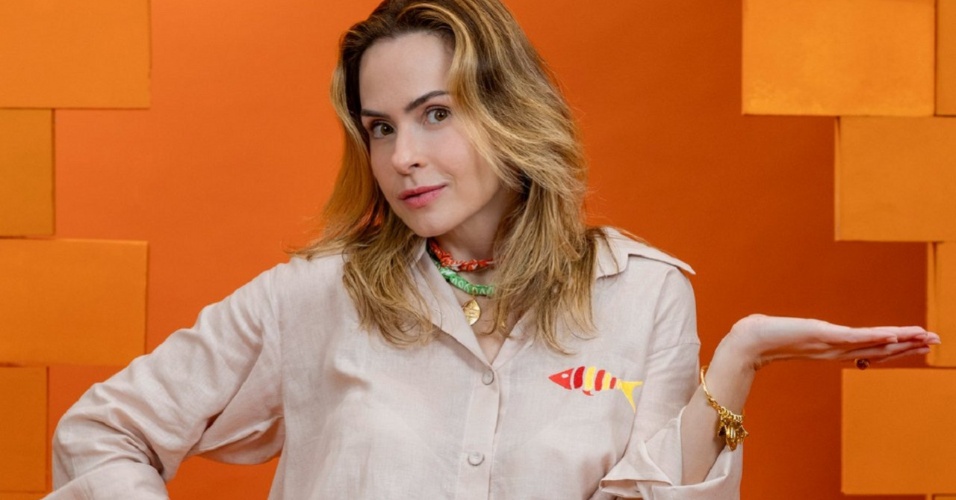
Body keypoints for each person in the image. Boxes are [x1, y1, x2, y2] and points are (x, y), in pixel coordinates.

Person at [50, 0, 939, 498]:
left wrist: (739, 359)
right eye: (380, 127)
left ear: (510, 110)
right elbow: (102, 432)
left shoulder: (644, 295)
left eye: (436, 114)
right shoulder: (314, 296)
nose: (403, 156)